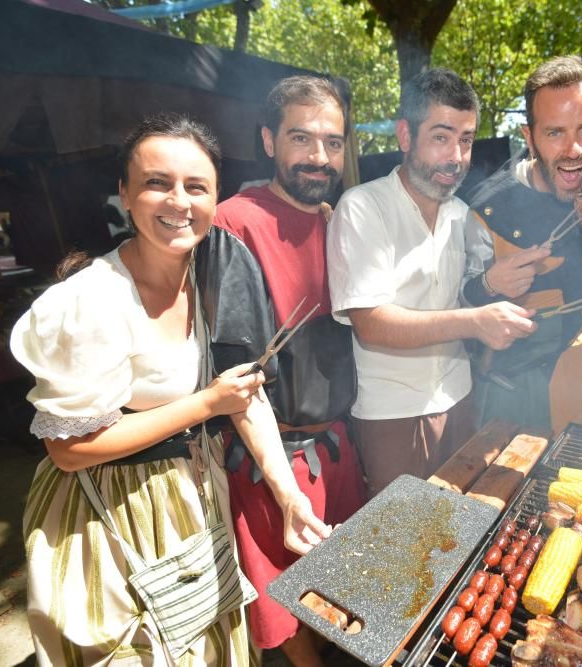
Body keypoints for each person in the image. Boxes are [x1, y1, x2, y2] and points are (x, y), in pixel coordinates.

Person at [10, 113, 326, 665]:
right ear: (125, 195)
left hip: (192, 494)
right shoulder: (89, 300)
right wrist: (204, 404)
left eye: (195, 187)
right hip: (109, 512)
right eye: (157, 182)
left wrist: (288, 494)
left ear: (216, 198)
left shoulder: (211, 272)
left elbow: (243, 394)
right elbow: (68, 450)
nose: (178, 201)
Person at [211, 75, 366, 665]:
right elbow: (238, 374)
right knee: (296, 608)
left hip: (336, 445)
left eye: (332, 141)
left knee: (344, 590)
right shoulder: (234, 223)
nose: (319, 156)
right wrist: (282, 487)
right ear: (269, 140)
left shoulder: (338, 220)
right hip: (275, 456)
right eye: (301, 139)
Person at [327, 68, 536, 497]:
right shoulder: (363, 207)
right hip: (393, 415)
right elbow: (372, 322)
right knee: (402, 552)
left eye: (466, 139)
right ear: (405, 136)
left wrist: (493, 288)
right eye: (441, 137)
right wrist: (475, 321)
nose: (457, 156)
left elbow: (464, 295)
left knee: (462, 536)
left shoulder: (462, 214)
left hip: (460, 397)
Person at [462, 55, 582, 435]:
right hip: (512, 390)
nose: (574, 150)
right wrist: (488, 286)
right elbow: (456, 304)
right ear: (529, 137)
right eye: (554, 133)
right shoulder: (487, 209)